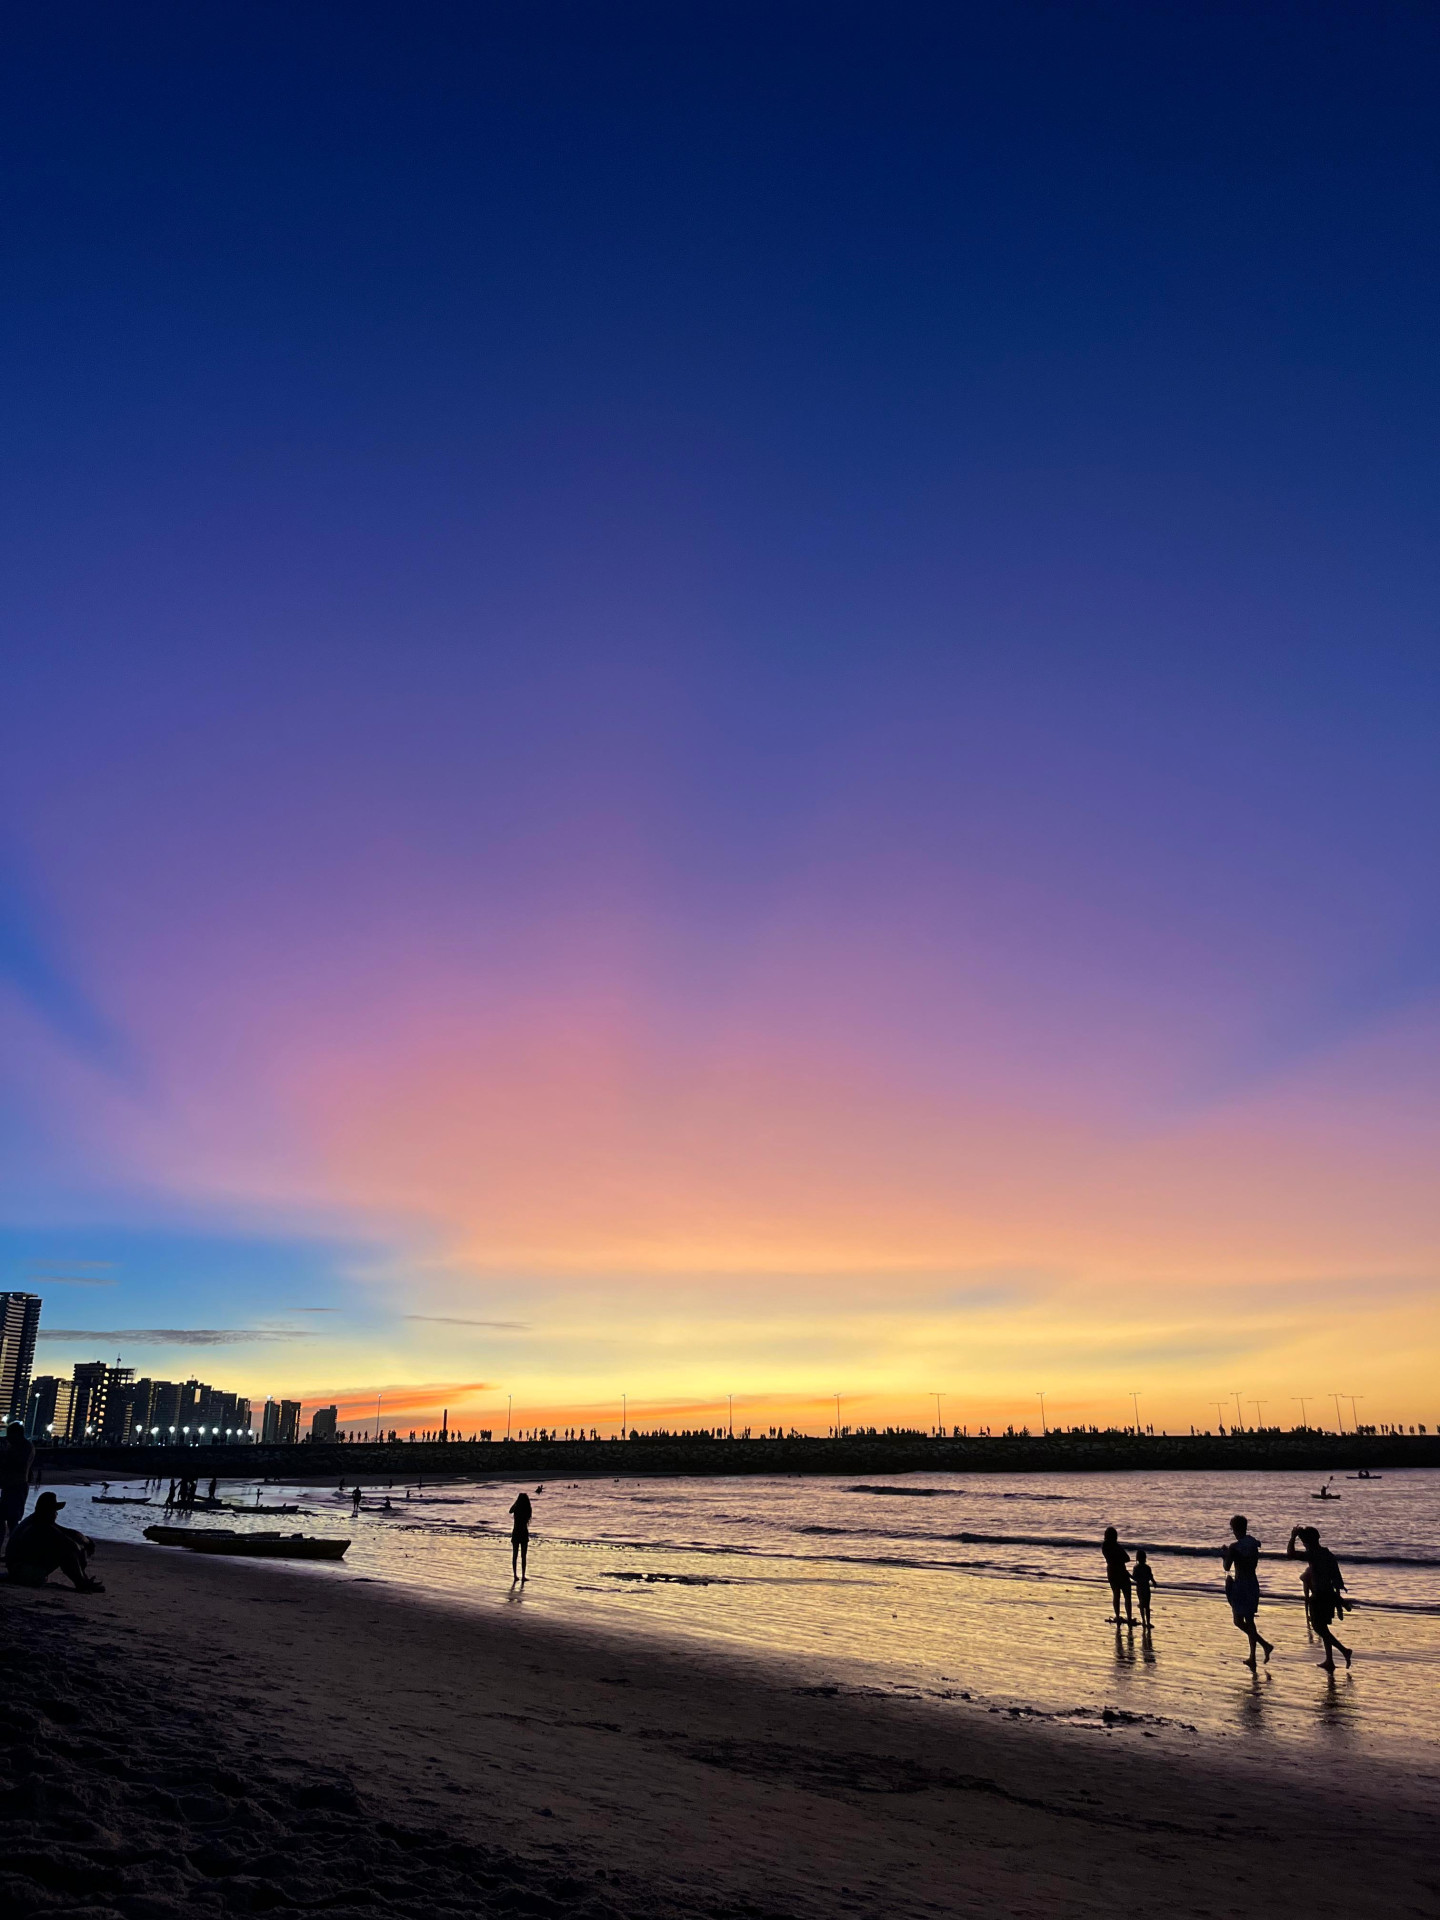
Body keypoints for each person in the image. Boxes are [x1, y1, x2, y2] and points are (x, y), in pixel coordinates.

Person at [4, 1492, 104, 1592]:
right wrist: (82, 1548)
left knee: (67, 1547)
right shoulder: (41, 1526)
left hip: (20, 1568)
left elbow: (68, 1532)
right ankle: (82, 1583)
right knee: (66, 1551)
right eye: (55, 1511)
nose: (56, 1514)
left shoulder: (37, 1520)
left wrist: (86, 1541)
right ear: (48, 1511)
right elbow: (70, 1545)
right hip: (22, 1572)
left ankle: (83, 1581)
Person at [1288, 1525, 1353, 1670]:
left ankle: (1344, 1651)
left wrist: (1292, 1537)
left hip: (1319, 1596)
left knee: (1319, 1628)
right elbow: (1337, 1579)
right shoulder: (1327, 1554)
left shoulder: (1314, 1554)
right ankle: (1329, 1660)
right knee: (1323, 1628)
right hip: (1329, 1595)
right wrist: (1339, 1601)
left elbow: (1290, 1554)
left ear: (1307, 1542)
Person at [1222, 1514, 1273, 1668]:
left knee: (1238, 1621)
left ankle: (1264, 1645)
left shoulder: (1234, 1547)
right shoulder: (1252, 1543)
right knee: (1250, 1621)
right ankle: (1253, 1656)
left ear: (1235, 1529)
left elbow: (1226, 1566)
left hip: (1240, 1585)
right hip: (1252, 1583)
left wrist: (1225, 1554)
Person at [1, 1421, 36, 1552]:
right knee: (9, 1520)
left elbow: (18, 1464)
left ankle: (12, 1550)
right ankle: (10, 1549)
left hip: (17, 1486)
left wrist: (5, 1454)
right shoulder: (21, 1446)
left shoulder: (25, 1447)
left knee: (12, 1521)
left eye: (10, 1434)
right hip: (11, 1486)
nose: (8, 1437)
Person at [1101, 1526, 1133, 1626]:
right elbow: (1127, 1558)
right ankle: (1128, 1617)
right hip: (1121, 1571)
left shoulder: (1105, 1546)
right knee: (1126, 1595)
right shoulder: (1116, 1546)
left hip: (1112, 1571)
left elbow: (1124, 1558)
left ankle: (1118, 1616)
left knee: (1117, 1594)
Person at [509, 1489, 533, 1580]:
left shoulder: (516, 1508)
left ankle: (515, 1575)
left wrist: (516, 1502)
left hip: (516, 1532)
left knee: (515, 1555)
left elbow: (510, 1511)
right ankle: (523, 1575)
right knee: (523, 1556)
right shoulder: (527, 1510)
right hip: (523, 1532)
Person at [1132, 1548, 1157, 1628]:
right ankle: (1147, 1622)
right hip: (1145, 1587)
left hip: (1140, 1587)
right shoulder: (1147, 1567)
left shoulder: (1136, 1568)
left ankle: (1144, 1621)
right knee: (1147, 1605)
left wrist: (1129, 1576)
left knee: (1143, 1604)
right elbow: (1150, 1576)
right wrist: (1153, 1582)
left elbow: (1135, 1578)